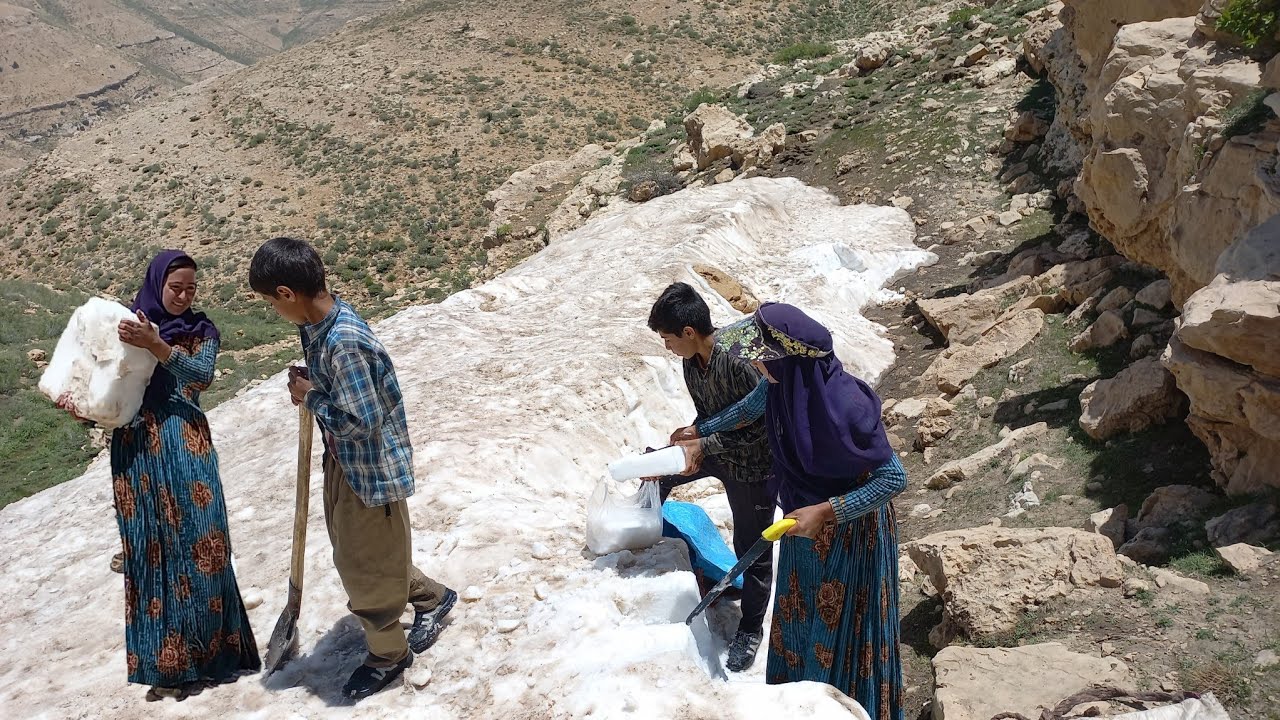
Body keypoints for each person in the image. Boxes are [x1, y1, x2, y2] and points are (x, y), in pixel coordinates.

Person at [248, 236, 456, 701]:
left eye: (270, 302)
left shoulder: (343, 343)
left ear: (287, 293)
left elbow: (361, 423)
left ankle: (388, 654)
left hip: (369, 471)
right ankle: (431, 597)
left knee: (362, 567)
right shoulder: (319, 327)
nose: (273, 311)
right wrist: (313, 381)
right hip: (345, 464)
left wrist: (311, 396)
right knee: (369, 553)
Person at [705, 302, 906, 720]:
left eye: (761, 357)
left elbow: (893, 479)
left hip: (852, 539)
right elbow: (748, 408)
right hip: (804, 529)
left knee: (844, 637)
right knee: (798, 628)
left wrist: (828, 510)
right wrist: (698, 434)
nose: (756, 366)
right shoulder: (785, 384)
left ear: (791, 358)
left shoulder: (844, 405)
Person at [110, 250, 260, 701]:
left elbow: (201, 377)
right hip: (136, 448)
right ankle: (168, 665)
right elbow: (101, 374)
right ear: (157, 283)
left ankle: (215, 656)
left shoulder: (200, 330)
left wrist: (158, 346)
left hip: (184, 440)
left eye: (191, 288)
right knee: (151, 550)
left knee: (202, 543)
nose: (183, 295)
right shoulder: (127, 324)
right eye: (176, 287)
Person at [645, 283, 776, 672]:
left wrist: (703, 442)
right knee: (657, 473)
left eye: (668, 339)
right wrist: (690, 436)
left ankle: (751, 628)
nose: (667, 348)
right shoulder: (691, 362)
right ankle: (653, 550)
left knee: (753, 549)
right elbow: (710, 414)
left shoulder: (738, 361)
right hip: (718, 451)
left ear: (689, 333)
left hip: (754, 466)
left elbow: (761, 425)